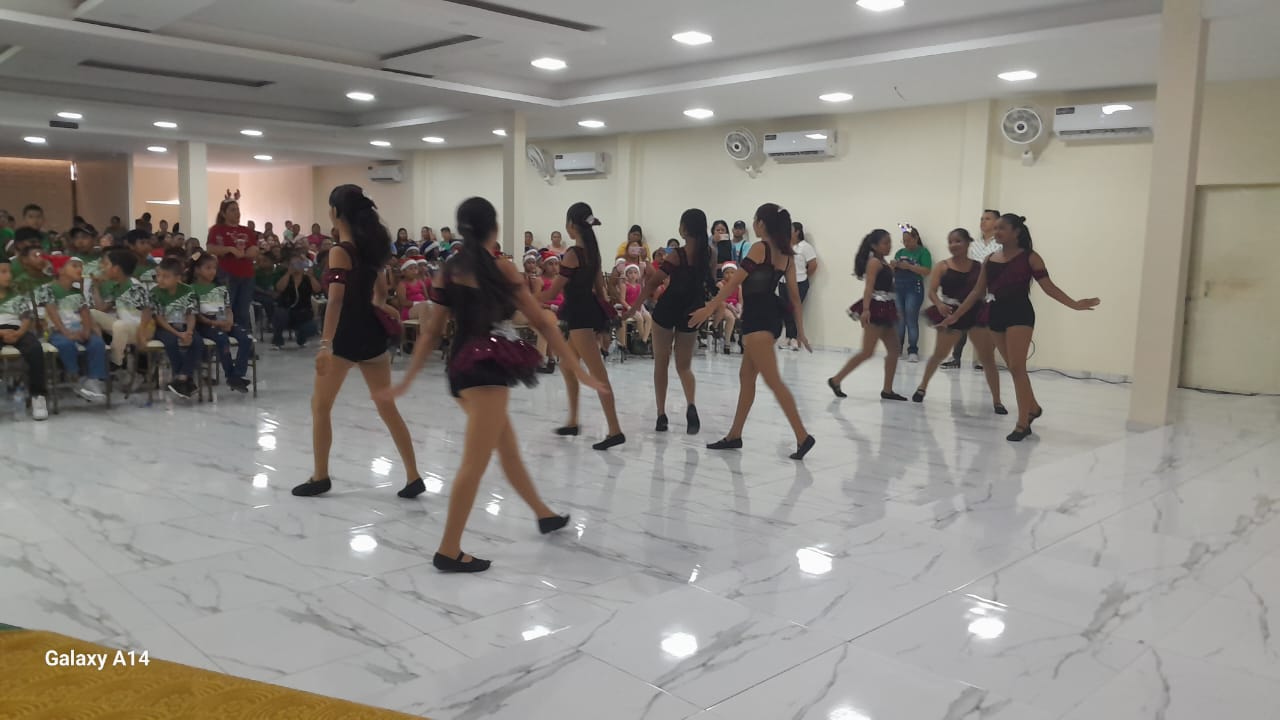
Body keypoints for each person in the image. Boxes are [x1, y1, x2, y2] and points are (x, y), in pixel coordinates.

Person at [378, 197, 605, 573]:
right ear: (494, 228)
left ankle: (543, 514)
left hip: (461, 368)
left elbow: (432, 331)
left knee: (507, 449)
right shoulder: (501, 267)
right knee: (475, 462)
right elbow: (542, 321)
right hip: (487, 370)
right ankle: (448, 549)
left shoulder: (449, 269)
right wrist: (577, 370)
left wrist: (407, 379)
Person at [293, 184, 425, 498]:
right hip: (372, 334)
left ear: (335, 212)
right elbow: (380, 292)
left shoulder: (341, 251)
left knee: (320, 406)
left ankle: (320, 475)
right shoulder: (370, 250)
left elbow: (336, 300)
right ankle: (413, 475)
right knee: (386, 406)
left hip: (346, 336)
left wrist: (325, 344)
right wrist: (380, 306)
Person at [944, 214, 1100, 440]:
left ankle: (1023, 422)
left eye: (1002, 228)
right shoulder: (989, 259)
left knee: (1018, 367)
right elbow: (977, 291)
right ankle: (1033, 407)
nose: (996, 232)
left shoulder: (1031, 258)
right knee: (1013, 367)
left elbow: (1048, 287)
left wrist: (1074, 304)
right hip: (995, 314)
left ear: (1016, 232)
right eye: (995, 228)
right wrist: (956, 315)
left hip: (1020, 314)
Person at [689, 203, 816, 460]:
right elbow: (794, 297)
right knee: (746, 377)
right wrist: (800, 331)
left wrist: (709, 307)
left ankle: (803, 436)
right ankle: (734, 435)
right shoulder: (787, 255)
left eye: (756, 220)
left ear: (762, 224)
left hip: (758, 319)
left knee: (773, 381)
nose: (754, 224)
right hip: (769, 317)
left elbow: (734, 282)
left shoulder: (761, 248)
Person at [541, 202, 624, 450]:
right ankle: (573, 421)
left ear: (571, 225)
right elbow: (600, 290)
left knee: (598, 374)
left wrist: (523, 298)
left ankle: (615, 430)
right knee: (567, 365)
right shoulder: (593, 253)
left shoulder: (573, 254)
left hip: (579, 317)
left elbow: (553, 292)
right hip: (586, 313)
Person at [624, 208, 715, 434]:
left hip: (668, 309)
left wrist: (634, 308)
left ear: (684, 229)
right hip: (692, 310)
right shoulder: (710, 254)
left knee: (661, 363)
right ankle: (691, 405)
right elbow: (710, 282)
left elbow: (653, 283)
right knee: (684, 366)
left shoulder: (677, 255)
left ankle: (661, 414)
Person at [911, 229, 1005, 412]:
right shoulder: (942, 266)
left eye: (958, 241)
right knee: (939, 354)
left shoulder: (979, 267)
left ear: (968, 243)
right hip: (949, 313)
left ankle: (997, 400)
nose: (953, 245)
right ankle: (922, 386)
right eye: (950, 241)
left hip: (975, 313)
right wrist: (939, 304)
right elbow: (932, 291)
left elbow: (982, 291)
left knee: (987, 358)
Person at [827, 229, 907, 401]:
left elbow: (888, 287)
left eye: (890, 242)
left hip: (886, 309)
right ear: (874, 246)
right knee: (867, 352)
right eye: (885, 243)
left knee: (894, 350)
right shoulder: (874, 263)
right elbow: (869, 287)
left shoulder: (883, 262)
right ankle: (836, 380)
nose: (889, 246)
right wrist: (865, 309)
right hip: (876, 309)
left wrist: (895, 308)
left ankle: (887, 390)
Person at [39, 256, 108, 401]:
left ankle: (93, 380)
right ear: (60, 270)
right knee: (66, 344)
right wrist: (66, 333)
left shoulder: (76, 291)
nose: (80, 269)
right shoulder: (48, 289)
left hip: (78, 327)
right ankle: (75, 376)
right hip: (57, 330)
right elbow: (53, 314)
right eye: (74, 266)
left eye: (80, 266)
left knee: (97, 343)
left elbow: (85, 312)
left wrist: (87, 330)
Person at [944, 209, 1002, 370]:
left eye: (988, 219)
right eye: (982, 218)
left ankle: (986, 359)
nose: (983, 222)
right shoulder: (973, 244)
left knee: (990, 324)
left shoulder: (1001, 244)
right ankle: (955, 358)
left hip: (992, 289)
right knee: (962, 320)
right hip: (971, 288)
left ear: (997, 222)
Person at [188, 250, 253, 392]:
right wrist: (216, 323)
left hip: (224, 320)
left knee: (246, 338)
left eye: (214, 268)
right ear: (197, 270)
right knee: (222, 339)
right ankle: (230, 374)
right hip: (206, 324)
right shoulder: (191, 289)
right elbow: (197, 315)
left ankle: (238, 374)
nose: (212, 271)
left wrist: (229, 321)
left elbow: (228, 308)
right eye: (208, 268)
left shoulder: (220, 288)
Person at [0, 257, 49, 419]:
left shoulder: (17, 295)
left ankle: (37, 396)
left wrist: (19, 333)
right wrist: (2, 333)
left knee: (35, 348)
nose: (8, 276)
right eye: (3, 272)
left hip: (17, 329)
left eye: (9, 272)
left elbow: (27, 318)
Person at [149, 257, 204, 399]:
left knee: (197, 342)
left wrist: (189, 332)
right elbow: (159, 319)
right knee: (171, 341)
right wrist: (179, 334)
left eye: (166, 276)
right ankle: (183, 378)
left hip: (184, 326)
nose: (161, 280)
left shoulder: (189, 291)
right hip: (165, 328)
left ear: (178, 278)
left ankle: (182, 377)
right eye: (159, 275)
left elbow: (191, 315)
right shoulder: (154, 293)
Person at [92, 249, 153, 371]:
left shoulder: (135, 286)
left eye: (106, 264)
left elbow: (147, 311)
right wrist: (96, 287)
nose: (103, 268)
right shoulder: (117, 287)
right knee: (92, 313)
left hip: (141, 328)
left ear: (116, 269)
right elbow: (101, 309)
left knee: (120, 326)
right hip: (123, 327)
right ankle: (100, 349)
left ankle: (116, 362)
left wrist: (141, 335)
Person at [206, 198, 258, 329]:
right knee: (227, 308)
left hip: (246, 275)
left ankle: (243, 335)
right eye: (232, 210)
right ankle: (225, 336)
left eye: (237, 210)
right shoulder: (217, 229)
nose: (237, 213)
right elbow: (211, 248)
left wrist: (243, 254)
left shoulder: (246, 230)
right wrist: (229, 249)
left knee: (243, 311)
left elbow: (254, 249)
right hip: (226, 275)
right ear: (224, 213)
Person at [892, 224, 932, 363]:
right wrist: (893, 266)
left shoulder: (923, 252)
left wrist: (909, 266)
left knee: (911, 319)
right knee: (899, 319)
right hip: (898, 287)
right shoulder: (899, 252)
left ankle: (913, 351)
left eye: (909, 240)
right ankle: (897, 349)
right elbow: (893, 271)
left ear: (916, 239)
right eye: (904, 241)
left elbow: (927, 271)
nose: (906, 243)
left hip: (914, 288)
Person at [780, 221, 819, 351]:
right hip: (783, 281)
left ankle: (795, 338)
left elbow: (813, 265)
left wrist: (803, 275)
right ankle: (788, 337)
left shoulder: (805, 247)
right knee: (785, 309)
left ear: (797, 231)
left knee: (794, 309)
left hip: (799, 282)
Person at [272, 246, 319, 349]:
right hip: (286, 310)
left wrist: (311, 276)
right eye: (293, 264)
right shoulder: (284, 276)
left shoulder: (307, 278)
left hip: (303, 311)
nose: (296, 266)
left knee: (312, 327)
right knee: (279, 313)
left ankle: (301, 339)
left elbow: (317, 289)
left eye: (299, 264)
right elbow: (279, 288)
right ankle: (278, 341)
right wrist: (288, 274)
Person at [715, 261, 742, 354]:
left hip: (735, 306)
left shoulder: (738, 286)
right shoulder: (720, 284)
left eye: (732, 272)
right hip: (724, 306)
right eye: (727, 272)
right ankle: (727, 343)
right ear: (723, 274)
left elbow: (740, 300)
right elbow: (720, 299)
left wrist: (739, 308)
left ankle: (744, 342)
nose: (729, 275)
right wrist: (731, 307)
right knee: (730, 317)